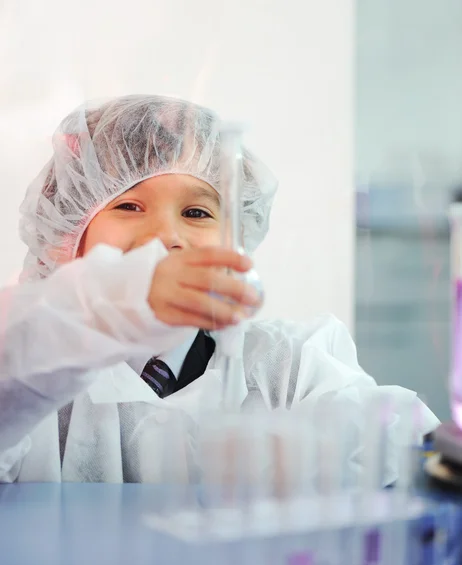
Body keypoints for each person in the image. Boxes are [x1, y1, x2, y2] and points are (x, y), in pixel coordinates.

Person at [0, 94, 439, 484]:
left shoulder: (287, 369)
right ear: (67, 234)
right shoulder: (33, 368)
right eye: (129, 206)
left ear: (235, 240)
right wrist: (110, 303)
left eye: (196, 212)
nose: (164, 238)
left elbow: (400, 440)